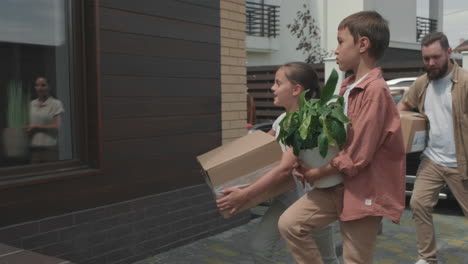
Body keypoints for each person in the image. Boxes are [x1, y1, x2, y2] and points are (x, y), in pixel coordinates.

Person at [277, 11, 406, 264]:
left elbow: (358, 155)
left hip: (363, 190)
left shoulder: (375, 91)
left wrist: (317, 172)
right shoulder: (347, 86)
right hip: (337, 184)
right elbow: (339, 140)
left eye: (340, 41)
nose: (335, 50)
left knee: (355, 259)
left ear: (363, 44)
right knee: (290, 224)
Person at [216, 62, 339, 264]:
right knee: (260, 248)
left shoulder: (307, 121)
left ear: (296, 89)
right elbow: (258, 152)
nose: (272, 87)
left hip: (312, 202)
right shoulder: (282, 120)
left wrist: (244, 195)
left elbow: (284, 169)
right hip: (286, 199)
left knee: (327, 259)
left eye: (277, 82)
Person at [397, 32, 468, 264]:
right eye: (426, 58)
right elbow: (404, 106)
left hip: (461, 161)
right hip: (432, 160)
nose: (430, 63)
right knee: (418, 203)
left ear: (449, 53)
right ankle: (427, 258)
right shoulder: (423, 82)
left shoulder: (465, 83)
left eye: (435, 57)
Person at [28, 77, 64, 163]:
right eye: (37, 85)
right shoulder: (31, 104)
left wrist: (36, 127)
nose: (39, 88)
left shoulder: (56, 103)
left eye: (43, 85)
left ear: (49, 87)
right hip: (34, 149)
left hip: (49, 148)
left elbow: (56, 126)